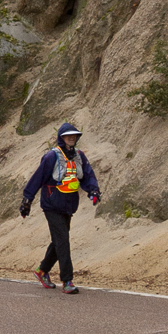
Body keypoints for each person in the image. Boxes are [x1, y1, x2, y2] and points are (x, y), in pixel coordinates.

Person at [20, 122, 101, 293]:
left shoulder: (79, 156)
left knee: (59, 241)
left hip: (69, 205)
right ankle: (67, 281)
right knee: (63, 240)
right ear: (61, 137)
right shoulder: (51, 156)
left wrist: (93, 191)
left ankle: (42, 271)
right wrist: (27, 201)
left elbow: (87, 176)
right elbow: (37, 178)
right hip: (52, 204)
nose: (72, 138)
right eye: (68, 135)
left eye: (75, 135)